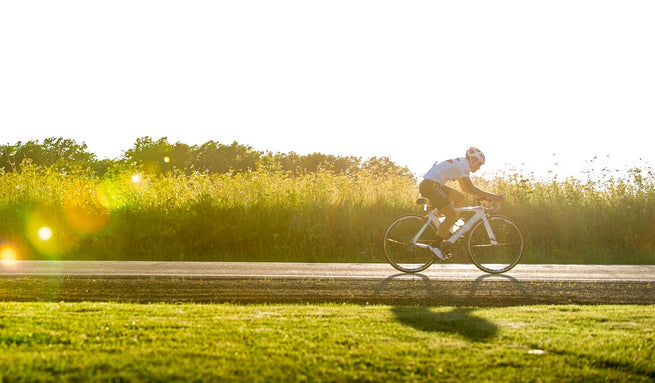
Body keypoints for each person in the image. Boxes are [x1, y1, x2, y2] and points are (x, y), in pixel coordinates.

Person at [419, 147, 504, 253]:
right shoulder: (464, 165)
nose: (479, 168)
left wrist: (483, 197)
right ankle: (435, 246)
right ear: (473, 160)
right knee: (451, 216)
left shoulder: (461, 164)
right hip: (431, 186)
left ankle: (449, 226)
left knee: (460, 197)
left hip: (432, 185)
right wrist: (492, 196)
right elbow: (471, 188)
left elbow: (465, 189)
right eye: (479, 164)